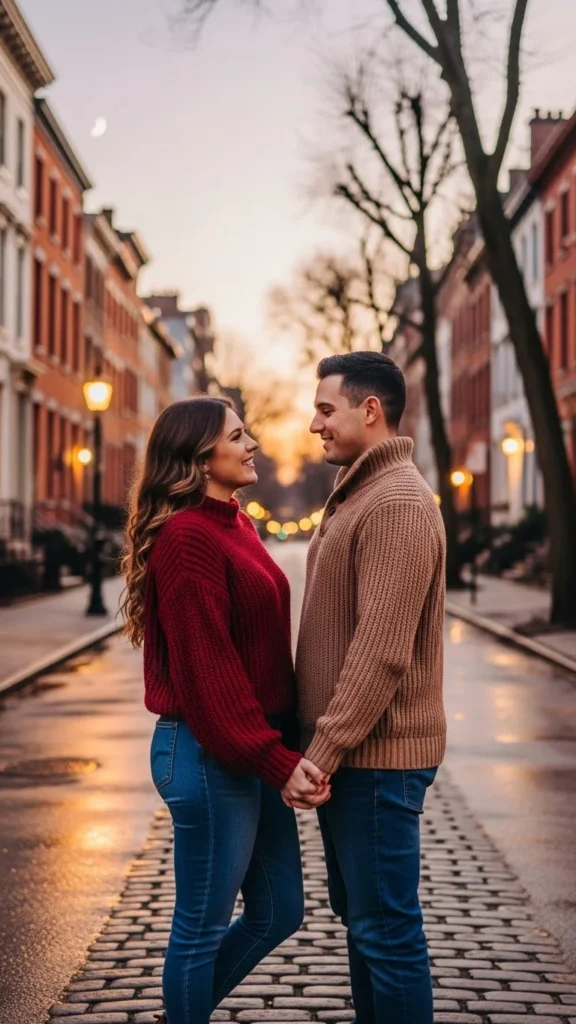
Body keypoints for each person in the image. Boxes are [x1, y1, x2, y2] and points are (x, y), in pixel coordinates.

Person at [121, 396, 329, 1024]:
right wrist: (277, 761)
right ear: (199, 457)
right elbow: (209, 673)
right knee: (200, 927)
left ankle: (183, 1012)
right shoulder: (187, 538)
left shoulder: (234, 523)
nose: (252, 444)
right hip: (207, 751)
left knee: (279, 911)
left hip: (249, 746)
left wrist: (284, 746)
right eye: (237, 436)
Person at [296, 352, 447, 1024]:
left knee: (386, 933)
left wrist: (322, 753)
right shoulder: (365, 493)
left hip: (377, 762)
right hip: (358, 762)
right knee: (366, 927)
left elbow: (381, 653)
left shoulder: (396, 503)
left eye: (326, 410)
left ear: (371, 410)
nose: (315, 425)